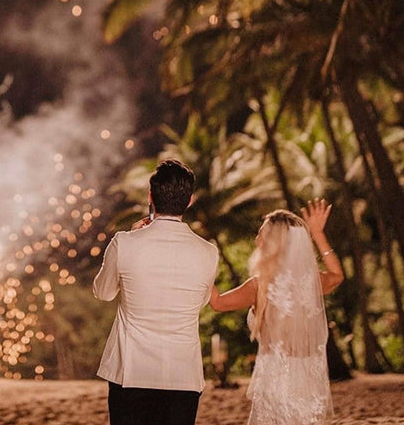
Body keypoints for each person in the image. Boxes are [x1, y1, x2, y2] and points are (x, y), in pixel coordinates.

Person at [93, 159, 219, 425]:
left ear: (151, 197)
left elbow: (103, 293)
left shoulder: (124, 243)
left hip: (131, 373)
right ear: (190, 200)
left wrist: (130, 238)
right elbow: (202, 301)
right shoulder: (208, 252)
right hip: (183, 376)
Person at [210, 199, 344, 425]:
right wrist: (318, 234)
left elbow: (218, 303)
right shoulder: (310, 282)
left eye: (261, 233)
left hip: (276, 380)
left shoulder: (259, 285)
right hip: (307, 378)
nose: (256, 239)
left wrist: (201, 265)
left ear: (274, 241)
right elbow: (337, 275)